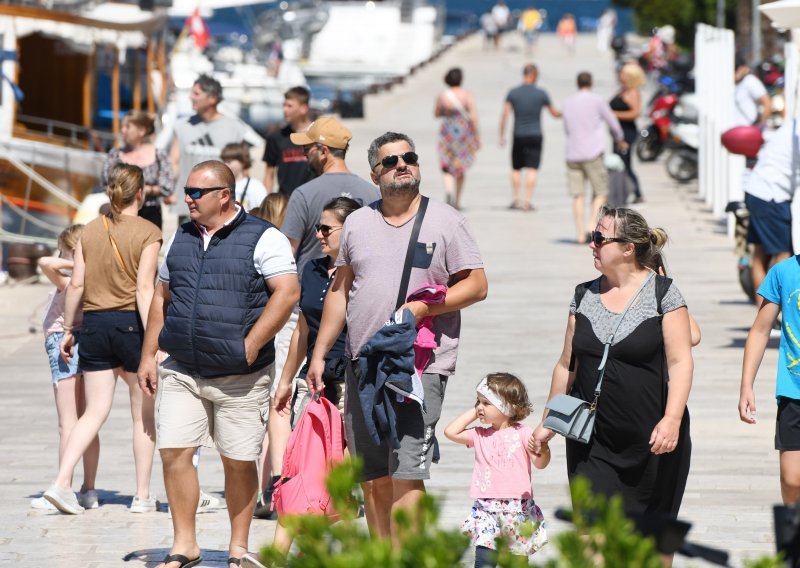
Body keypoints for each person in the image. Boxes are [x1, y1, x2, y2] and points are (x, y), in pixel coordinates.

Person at [306, 131, 488, 541]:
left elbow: (476, 285)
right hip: (362, 363)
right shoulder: (356, 222)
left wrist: (424, 307)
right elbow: (340, 292)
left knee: (406, 470)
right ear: (375, 175)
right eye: (391, 161)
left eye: (409, 156)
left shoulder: (447, 220)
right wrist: (318, 355)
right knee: (372, 475)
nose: (402, 164)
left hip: (419, 367)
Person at [137, 160, 299, 568]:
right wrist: (148, 355)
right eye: (187, 191)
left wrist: (250, 344)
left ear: (224, 196)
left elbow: (288, 292)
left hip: (241, 376)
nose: (187, 198)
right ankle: (185, 544)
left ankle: (238, 548)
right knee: (173, 452)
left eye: (197, 192)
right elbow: (162, 296)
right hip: (183, 368)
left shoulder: (264, 238)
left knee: (239, 460)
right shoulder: (182, 237)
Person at [531, 206, 693, 564]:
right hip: (592, 443)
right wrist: (548, 423)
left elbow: (682, 361)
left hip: (653, 442)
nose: (593, 244)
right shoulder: (583, 295)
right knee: (592, 548)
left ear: (627, 248)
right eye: (593, 236)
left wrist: (672, 419)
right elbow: (566, 366)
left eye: (600, 238)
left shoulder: (663, 294)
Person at [254, 117, 378, 517]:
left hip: (311, 307)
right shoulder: (370, 192)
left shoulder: (305, 193)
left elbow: (283, 251)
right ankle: (326, 491)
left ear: (323, 151)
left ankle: (287, 483)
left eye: (307, 146)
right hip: (320, 307)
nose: (302, 152)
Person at [43, 164, 162, 515]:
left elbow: (76, 285)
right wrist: (152, 340)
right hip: (131, 326)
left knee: (94, 412)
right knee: (142, 416)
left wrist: (67, 330)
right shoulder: (149, 231)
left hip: (93, 325)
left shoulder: (90, 231)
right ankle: (141, 496)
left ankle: (62, 483)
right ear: (139, 193)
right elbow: (144, 288)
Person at [270, 196, 363, 552]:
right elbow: (303, 330)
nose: (319, 235)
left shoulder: (363, 273)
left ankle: (351, 552)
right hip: (315, 385)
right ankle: (278, 555)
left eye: (326, 229)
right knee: (306, 467)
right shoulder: (310, 269)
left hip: (350, 384)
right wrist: (285, 381)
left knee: (342, 475)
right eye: (317, 228)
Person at [445, 373, 550, 567]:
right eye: (478, 402)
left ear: (507, 407)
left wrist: (542, 448)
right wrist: (476, 411)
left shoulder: (524, 433)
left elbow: (541, 463)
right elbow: (451, 432)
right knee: (484, 560)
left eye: (486, 403)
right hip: (487, 510)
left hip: (517, 510)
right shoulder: (479, 435)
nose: (479, 407)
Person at [32, 224, 100, 511]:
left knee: (68, 423)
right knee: (88, 421)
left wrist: (76, 261)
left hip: (64, 343)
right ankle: (89, 489)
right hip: (88, 343)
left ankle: (65, 487)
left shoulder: (69, 283)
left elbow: (44, 262)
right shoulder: (92, 282)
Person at [740, 253, 800, 504]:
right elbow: (761, 330)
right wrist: (746, 385)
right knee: (791, 479)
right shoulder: (783, 272)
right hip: (793, 390)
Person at [171, 74, 259, 225]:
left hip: (220, 207)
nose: (191, 97)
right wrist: (172, 191)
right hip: (189, 205)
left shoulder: (234, 128)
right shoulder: (182, 126)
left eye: (196, 94)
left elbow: (243, 165)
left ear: (212, 98)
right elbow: (174, 161)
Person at [561, 71, 626, 243]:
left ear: (577, 83)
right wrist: (619, 138)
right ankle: (591, 224)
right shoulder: (597, 101)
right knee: (601, 191)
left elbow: (567, 126)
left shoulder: (568, 102)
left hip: (573, 153)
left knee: (578, 195)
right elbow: (613, 123)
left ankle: (579, 233)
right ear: (591, 83)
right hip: (593, 153)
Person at [742, 120, 800, 305]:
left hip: (757, 189)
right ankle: (772, 312)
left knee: (760, 254)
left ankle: (764, 313)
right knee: (784, 258)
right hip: (772, 194)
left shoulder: (792, 124)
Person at [499, 64, 561, 211]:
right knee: (533, 168)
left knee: (516, 168)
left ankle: (516, 200)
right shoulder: (541, 93)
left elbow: (505, 114)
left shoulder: (513, 92)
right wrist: (566, 113)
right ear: (534, 75)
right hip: (535, 134)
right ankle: (527, 202)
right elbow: (554, 113)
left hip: (518, 134)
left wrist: (501, 135)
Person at [102, 111, 174, 230]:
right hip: (120, 211)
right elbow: (106, 184)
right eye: (122, 127)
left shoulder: (159, 155)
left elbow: (167, 187)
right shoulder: (115, 155)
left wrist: (146, 190)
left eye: (127, 127)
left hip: (151, 213)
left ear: (142, 131)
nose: (123, 131)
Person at [435, 67, 480, 210]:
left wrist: (447, 110)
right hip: (463, 133)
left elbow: (436, 113)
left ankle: (448, 191)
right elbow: (473, 117)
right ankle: (457, 201)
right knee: (460, 166)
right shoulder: (467, 95)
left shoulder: (443, 96)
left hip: (447, 132)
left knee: (446, 164)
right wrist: (477, 136)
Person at [263, 86, 315, 197]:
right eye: (284, 105)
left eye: (289, 106)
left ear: (303, 108)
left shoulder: (318, 135)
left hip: (313, 200)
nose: (284, 110)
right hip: (286, 201)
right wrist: (266, 203)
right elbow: (269, 173)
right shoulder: (276, 137)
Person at [610, 62, 646, 203]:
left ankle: (637, 193)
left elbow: (636, 113)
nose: (620, 76)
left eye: (624, 74)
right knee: (618, 164)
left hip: (627, 132)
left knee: (624, 164)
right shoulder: (622, 91)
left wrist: (615, 114)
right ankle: (620, 192)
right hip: (617, 132)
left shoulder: (633, 93)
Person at [221, 142, 268, 211]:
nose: (226, 165)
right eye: (224, 161)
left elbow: (263, 211)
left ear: (242, 161)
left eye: (229, 161)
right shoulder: (220, 185)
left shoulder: (256, 187)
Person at [734, 55, 772, 128]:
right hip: (733, 131)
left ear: (743, 67)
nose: (734, 72)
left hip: (747, 131)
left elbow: (767, 103)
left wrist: (760, 126)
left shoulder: (750, 81)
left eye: (736, 68)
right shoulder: (733, 83)